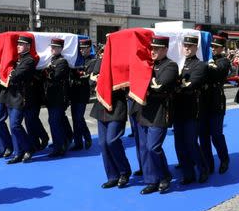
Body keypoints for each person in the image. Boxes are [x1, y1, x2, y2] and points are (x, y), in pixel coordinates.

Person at [133, 36, 178, 194]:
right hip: (144, 111)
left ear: (165, 49)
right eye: (152, 48)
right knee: (144, 148)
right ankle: (151, 180)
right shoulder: (148, 65)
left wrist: (146, 83)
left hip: (159, 112)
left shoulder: (171, 66)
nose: (153, 51)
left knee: (153, 147)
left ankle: (165, 176)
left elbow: (160, 86)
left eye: (157, 49)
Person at [90, 56, 132, 189]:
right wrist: (100, 80)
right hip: (102, 105)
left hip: (117, 106)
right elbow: (91, 81)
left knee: (112, 140)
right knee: (103, 144)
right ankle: (112, 176)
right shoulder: (101, 60)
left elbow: (128, 85)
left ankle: (124, 171)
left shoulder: (123, 61)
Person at [174, 35, 209, 185]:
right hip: (177, 109)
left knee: (191, 143)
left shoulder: (200, 65)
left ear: (196, 48)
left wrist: (173, 86)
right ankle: (188, 173)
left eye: (190, 46)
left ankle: (202, 169)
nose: (187, 48)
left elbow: (192, 84)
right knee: (179, 144)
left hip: (191, 109)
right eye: (185, 46)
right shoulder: (178, 64)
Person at [199, 35, 230, 175]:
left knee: (216, 134)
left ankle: (224, 159)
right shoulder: (204, 60)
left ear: (222, 48)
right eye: (211, 46)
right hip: (203, 102)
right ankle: (208, 163)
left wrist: (206, 63)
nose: (213, 49)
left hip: (216, 101)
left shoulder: (224, 61)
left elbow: (217, 72)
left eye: (216, 47)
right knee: (203, 135)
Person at [5, 36, 36, 164]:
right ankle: (18, 153)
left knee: (15, 124)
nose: (18, 46)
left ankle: (29, 148)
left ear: (28, 46)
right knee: (13, 126)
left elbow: (15, 76)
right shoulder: (18, 60)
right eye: (17, 44)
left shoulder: (29, 60)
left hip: (20, 96)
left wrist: (11, 73)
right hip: (12, 96)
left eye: (21, 44)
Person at [43, 38, 70, 157]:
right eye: (52, 47)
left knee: (55, 121)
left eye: (55, 47)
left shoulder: (62, 62)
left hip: (59, 97)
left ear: (60, 48)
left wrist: (46, 71)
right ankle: (63, 141)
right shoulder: (52, 60)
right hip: (51, 96)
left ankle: (60, 147)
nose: (52, 49)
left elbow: (55, 77)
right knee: (55, 121)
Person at [69, 39, 94, 151]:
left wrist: (77, 73)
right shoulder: (78, 60)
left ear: (89, 48)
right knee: (75, 118)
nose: (82, 50)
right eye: (81, 48)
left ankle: (87, 136)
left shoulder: (93, 61)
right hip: (74, 92)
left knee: (79, 117)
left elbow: (87, 76)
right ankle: (78, 142)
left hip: (83, 93)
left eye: (84, 48)